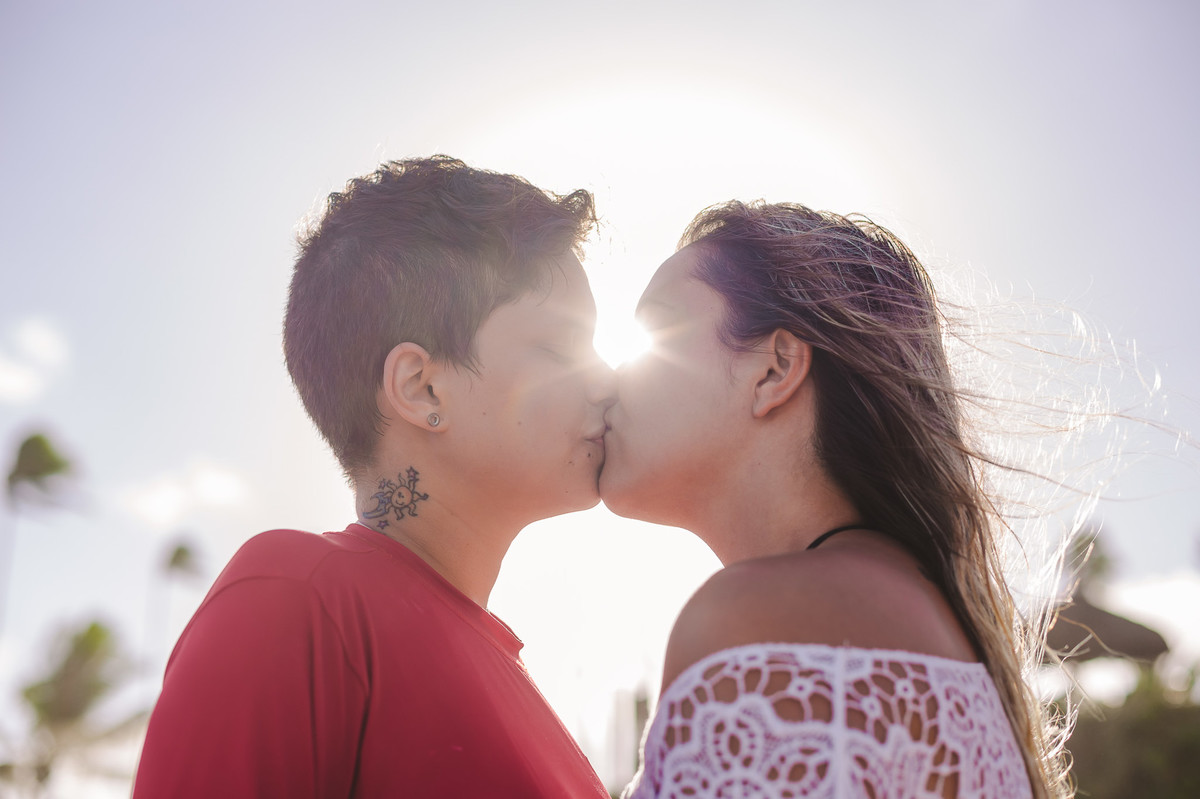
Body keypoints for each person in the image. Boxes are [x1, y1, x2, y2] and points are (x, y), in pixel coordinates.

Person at [133, 156, 615, 798]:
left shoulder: (517, 680)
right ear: (421, 387)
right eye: (560, 349)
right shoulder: (296, 600)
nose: (608, 380)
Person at [601, 202, 1065, 799]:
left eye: (654, 332)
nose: (608, 378)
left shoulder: (761, 621)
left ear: (775, 369)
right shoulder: (926, 617)